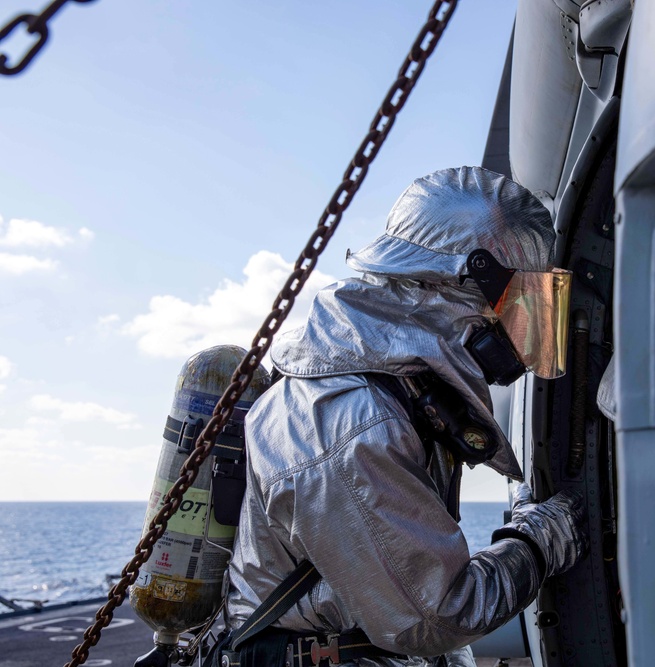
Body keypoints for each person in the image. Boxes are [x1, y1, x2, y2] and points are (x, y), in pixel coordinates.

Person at [221, 166, 588, 666]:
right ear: (461, 289)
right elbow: (434, 619)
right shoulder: (357, 424)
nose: (524, 333)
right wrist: (537, 542)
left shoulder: (389, 387)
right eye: (519, 306)